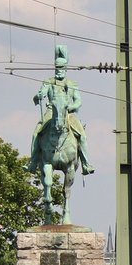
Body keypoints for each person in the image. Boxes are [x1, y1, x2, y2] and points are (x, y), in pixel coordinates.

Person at [29, 44, 94, 175]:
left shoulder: (72, 84)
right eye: (57, 67)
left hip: (68, 113)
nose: (59, 70)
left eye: (61, 68)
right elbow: (42, 93)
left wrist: (71, 107)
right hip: (51, 112)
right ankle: (33, 162)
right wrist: (39, 96)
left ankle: (86, 164)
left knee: (82, 136)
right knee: (36, 133)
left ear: (65, 68)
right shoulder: (48, 82)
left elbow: (78, 101)